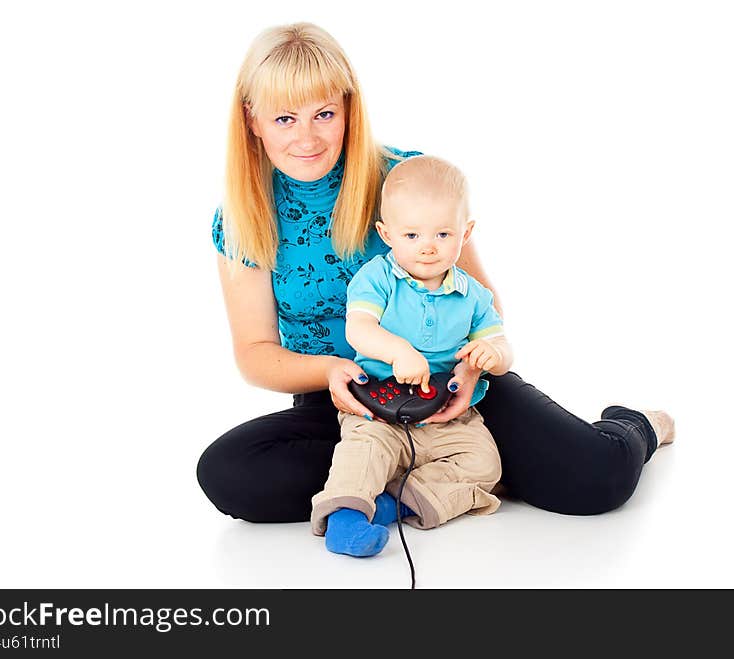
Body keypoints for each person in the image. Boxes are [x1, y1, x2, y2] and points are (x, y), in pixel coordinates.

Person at [197, 22, 675, 531]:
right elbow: (255, 353)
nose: (306, 137)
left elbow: (480, 298)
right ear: (253, 120)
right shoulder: (244, 216)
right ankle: (450, 476)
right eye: (285, 118)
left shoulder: (405, 179)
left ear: (348, 110)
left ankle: (629, 426)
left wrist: (468, 372)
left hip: (449, 386)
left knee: (598, 478)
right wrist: (334, 373)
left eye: (324, 114)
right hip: (347, 399)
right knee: (228, 473)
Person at [311, 155, 513, 557]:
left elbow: (502, 346)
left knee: (484, 462)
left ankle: (398, 504)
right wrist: (399, 350)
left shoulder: (473, 295)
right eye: (412, 236)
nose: (427, 248)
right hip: (379, 409)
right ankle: (346, 518)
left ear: (465, 232)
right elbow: (359, 329)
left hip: (447, 414)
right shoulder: (376, 278)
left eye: (442, 234)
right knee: (362, 451)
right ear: (386, 234)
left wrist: (492, 354)